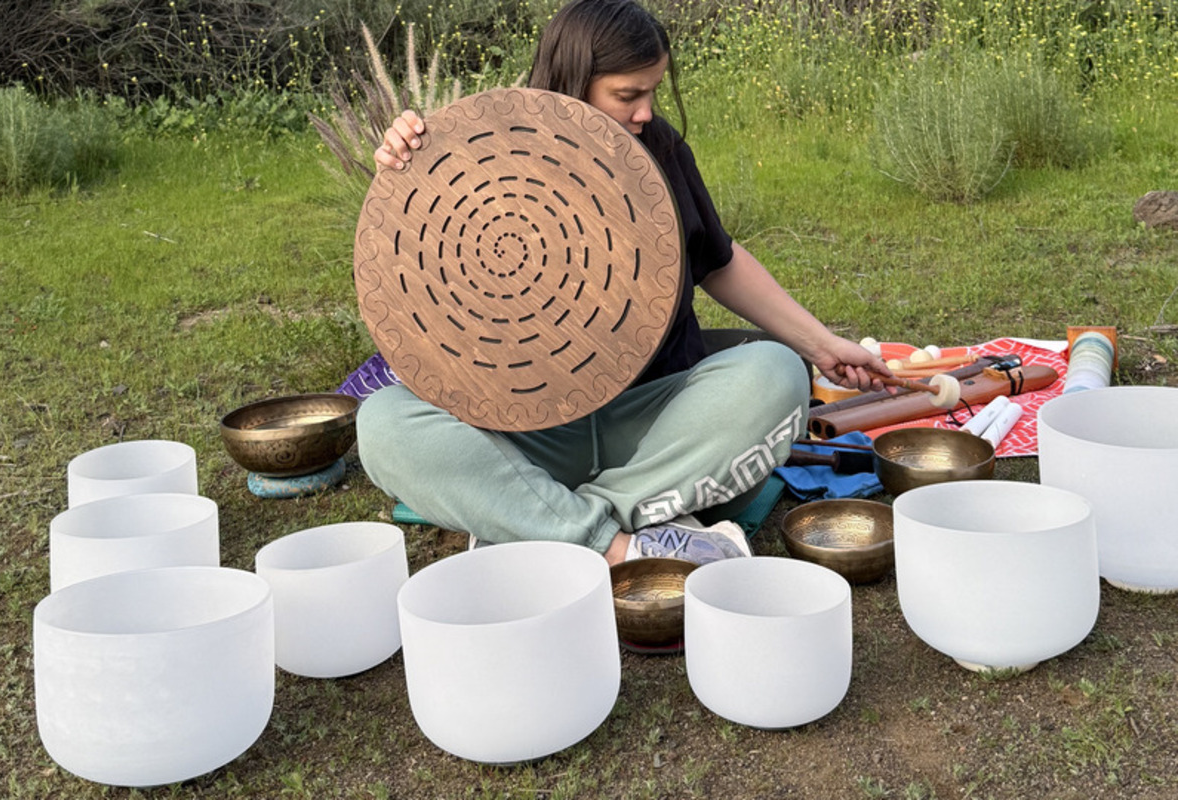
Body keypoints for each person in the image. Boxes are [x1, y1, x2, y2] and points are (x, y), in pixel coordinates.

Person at [359, 0, 888, 566]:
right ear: (572, 83)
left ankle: (536, 521)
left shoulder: (659, 148)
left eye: (653, 92)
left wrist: (822, 345)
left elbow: (719, 261)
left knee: (777, 372)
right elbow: (415, 278)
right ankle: (618, 544)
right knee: (383, 424)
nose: (645, 112)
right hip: (528, 433)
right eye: (627, 96)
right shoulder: (480, 156)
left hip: (653, 426)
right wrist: (411, 164)